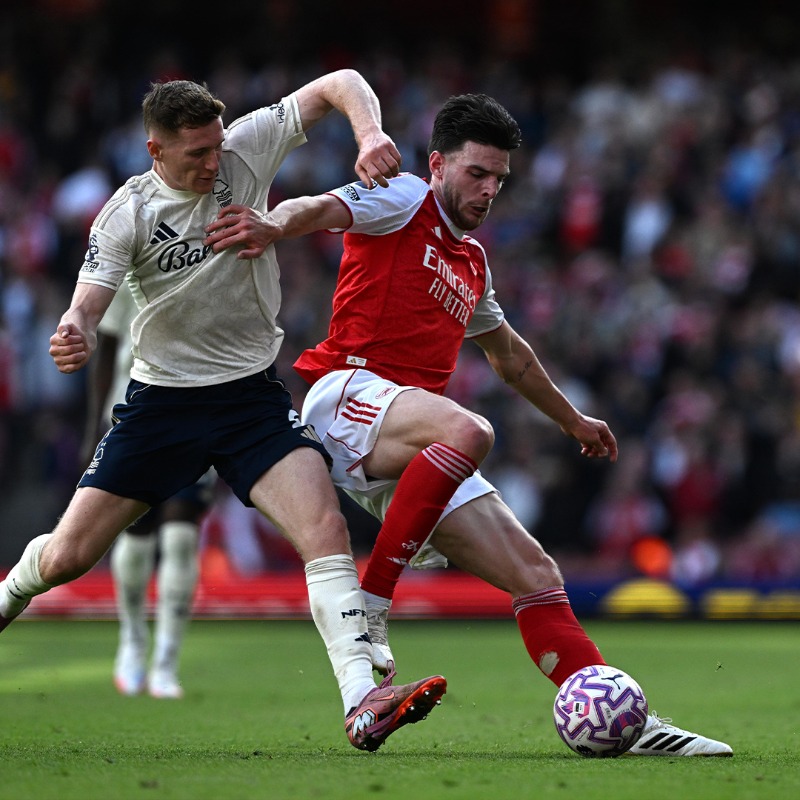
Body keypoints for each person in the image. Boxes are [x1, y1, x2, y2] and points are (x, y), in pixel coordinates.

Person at [203, 93, 733, 757]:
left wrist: (573, 420)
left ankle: (626, 722)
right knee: (471, 432)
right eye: (477, 173)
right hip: (347, 397)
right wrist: (273, 226)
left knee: (535, 571)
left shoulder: (473, 263)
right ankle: (372, 604)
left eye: (498, 179)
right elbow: (318, 208)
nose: (488, 190)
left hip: (411, 439)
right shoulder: (403, 197)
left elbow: (511, 357)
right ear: (437, 165)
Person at [0, 70, 446, 752]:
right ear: (155, 151)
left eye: (216, 146)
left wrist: (369, 133)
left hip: (249, 400)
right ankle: (8, 598)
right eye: (197, 154)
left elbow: (341, 82)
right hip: (162, 407)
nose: (214, 163)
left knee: (324, 526)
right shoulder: (127, 212)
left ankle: (362, 699)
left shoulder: (243, 147)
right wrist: (75, 330)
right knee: (66, 557)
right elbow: (88, 303)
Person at [81, 282, 214, 699]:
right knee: (137, 535)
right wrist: (93, 429)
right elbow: (107, 352)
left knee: (180, 537)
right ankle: (133, 639)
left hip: (198, 418)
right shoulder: (129, 274)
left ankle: (166, 662)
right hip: (132, 417)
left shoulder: (215, 271)